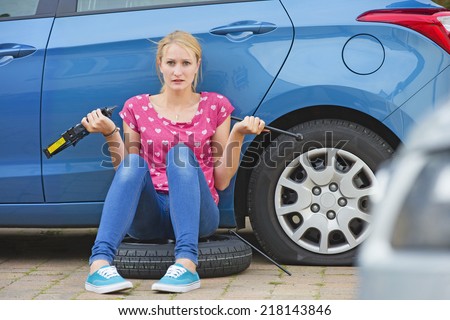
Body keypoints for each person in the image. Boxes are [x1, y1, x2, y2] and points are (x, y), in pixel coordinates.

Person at [81, 30, 265, 294]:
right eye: (171, 63)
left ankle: (186, 265)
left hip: (199, 212)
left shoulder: (216, 106)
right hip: (150, 214)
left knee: (179, 154)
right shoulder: (136, 107)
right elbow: (126, 173)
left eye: (186, 63)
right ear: (160, 65)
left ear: (197, 65)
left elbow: (222, 181)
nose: (178, 71)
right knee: (134, 162)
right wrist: (111, 133)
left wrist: (238, 134)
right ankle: (98, 266)